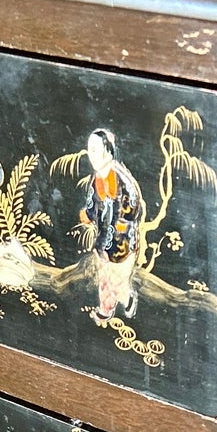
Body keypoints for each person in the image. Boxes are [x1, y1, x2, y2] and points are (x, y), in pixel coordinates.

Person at [79, 128, 144, 325]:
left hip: (121, 243)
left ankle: (128, 299)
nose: (93, 154)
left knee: (116, 281)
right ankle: (105, 310)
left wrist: (120, 230)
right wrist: (88, 215)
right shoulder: (96, 179)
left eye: (97, 149)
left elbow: (132, 208)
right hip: (102, 240)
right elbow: (92, 204)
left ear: (109, 151)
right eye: (90, 149)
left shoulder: (122, 180)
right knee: (104, 280)